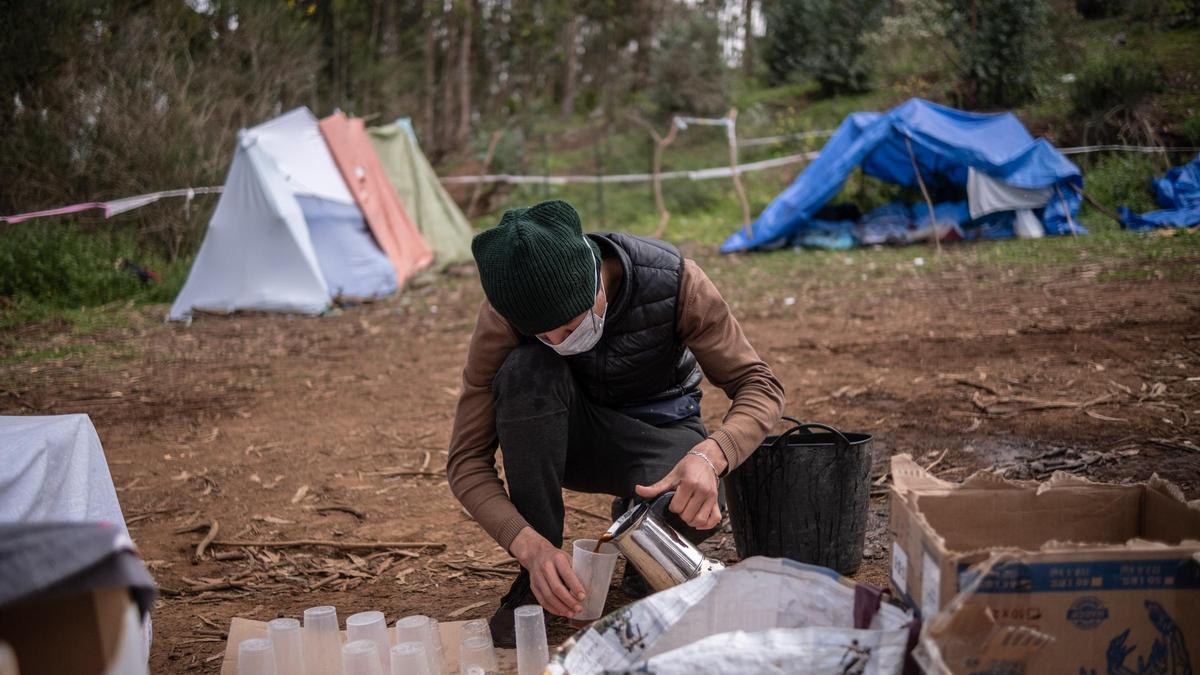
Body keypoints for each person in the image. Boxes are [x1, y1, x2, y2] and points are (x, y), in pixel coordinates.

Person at [446, 200, 785, 646]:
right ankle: (540, 578)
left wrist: (710, 455)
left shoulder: (674, 281)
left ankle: (642, 537)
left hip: (659, 430)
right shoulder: (505, 318)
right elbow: (466, 460)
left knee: (693, 509)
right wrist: (529, 547)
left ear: (596, 277)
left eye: (568, 327)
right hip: (568, 435)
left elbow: (759, 385)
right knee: (526, 371)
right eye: (544, 336)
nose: (559, 343)